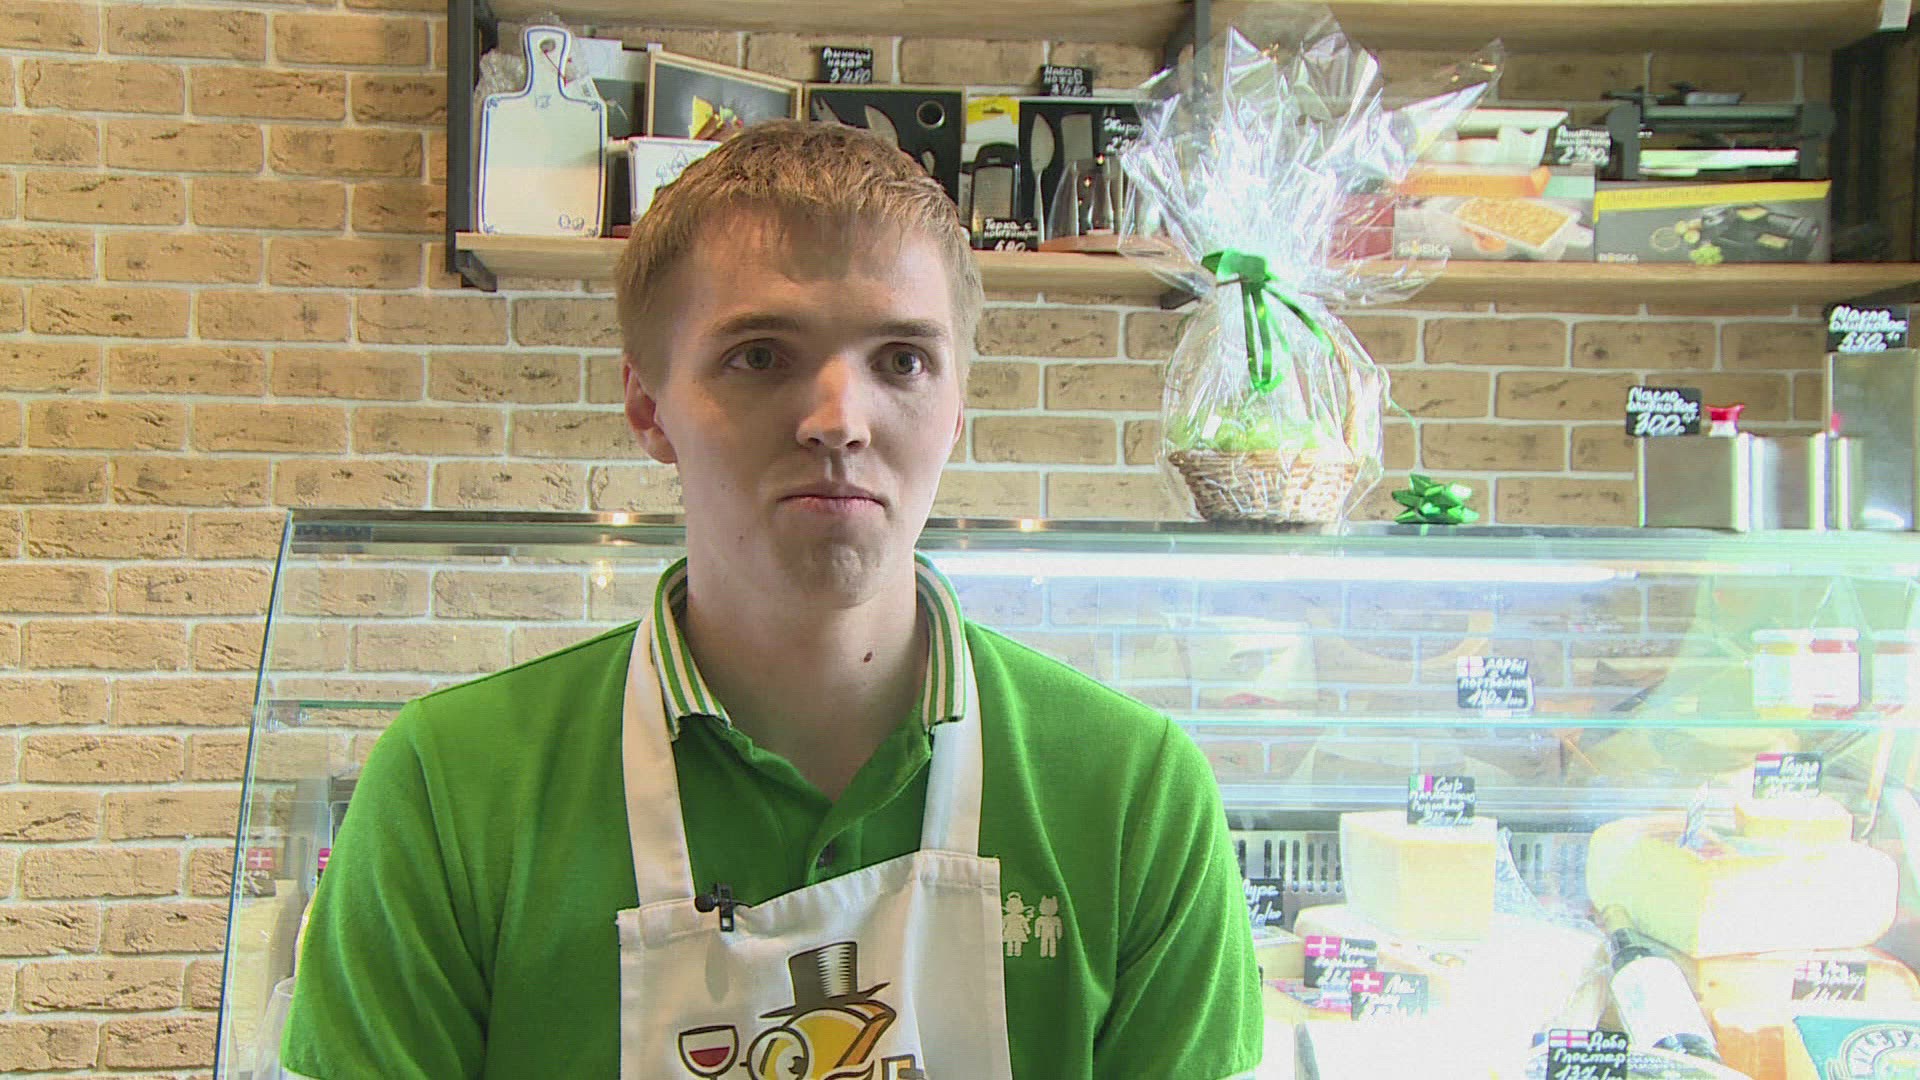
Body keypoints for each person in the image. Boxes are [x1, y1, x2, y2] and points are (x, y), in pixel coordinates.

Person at [279, 120, 1260, 1079]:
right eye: (760, 355)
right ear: (648, 408)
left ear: (958, 408)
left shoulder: (1133, 796)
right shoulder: (450, 791)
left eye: (902, 361)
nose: (839, 420)